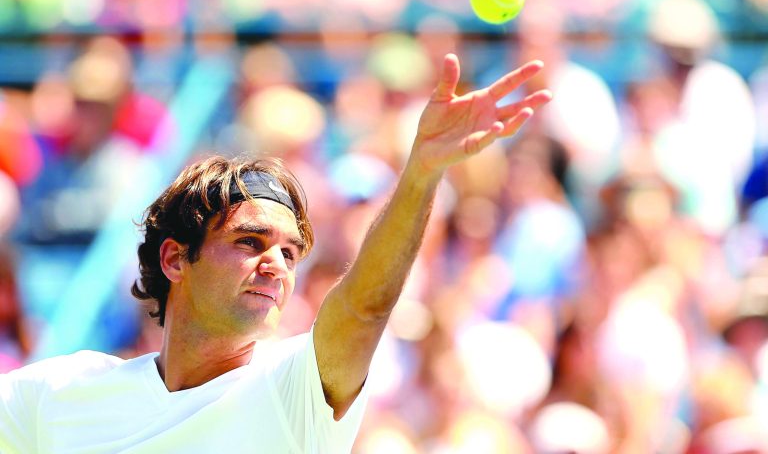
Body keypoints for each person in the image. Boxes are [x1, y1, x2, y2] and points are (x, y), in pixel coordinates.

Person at [0, 54, 551, 453]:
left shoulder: (293, 388)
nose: (277, 265)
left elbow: (364, 309)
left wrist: (422, 173)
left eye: (291, 253)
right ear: (174, 259)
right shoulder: (59, 394)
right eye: (249, 242)